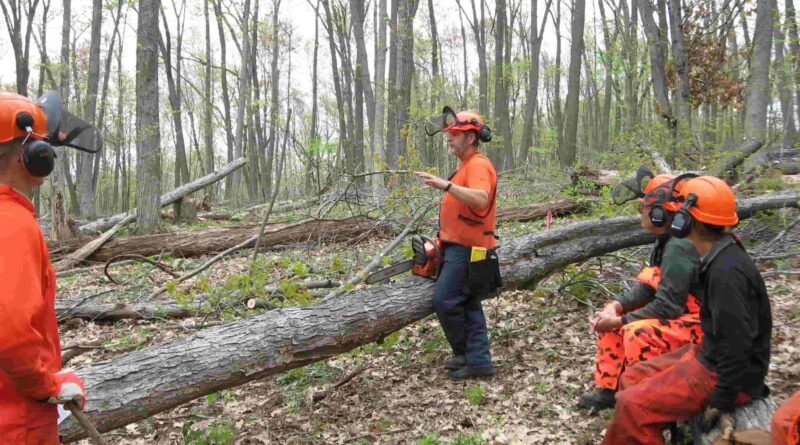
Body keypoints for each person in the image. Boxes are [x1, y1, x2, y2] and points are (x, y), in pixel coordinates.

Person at [602, 175, 772, 445]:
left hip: (722, 373)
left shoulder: (727, 273)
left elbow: (737, 343)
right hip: (710, 355)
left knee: (632, 405)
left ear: (685, 220)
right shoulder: (718, 254)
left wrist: (722, 399)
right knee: (633, 377)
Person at [578, 169, 704, 412]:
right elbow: (649, 288)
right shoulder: (666, 240)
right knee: (612, 323)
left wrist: (621, 321)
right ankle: (610, 391)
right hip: (681, 315)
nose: (640, 214)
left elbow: (668, 306)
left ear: (659, 212)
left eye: (642, 208)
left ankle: (642, 398)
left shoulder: (679, 246)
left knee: (637, 332)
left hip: (697, 324)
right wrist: (617, 306)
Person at [0, 92, 87, 444]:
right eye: (42, 146)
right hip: (15, 419)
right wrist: (46, 386)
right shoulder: (12, 223)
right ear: (31, 156)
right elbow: (9, 329)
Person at [416, 108, 501, 380]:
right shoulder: (465, 166)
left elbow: (480, 199)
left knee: (446, 300)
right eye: (449, 134)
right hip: (459, 245)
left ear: (471, 138)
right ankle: (476, 359)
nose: (449, 139)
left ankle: (470, 355)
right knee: (467, 302)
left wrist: (446, 186)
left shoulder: (478, 165)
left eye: (455, 134)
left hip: (470, 248)